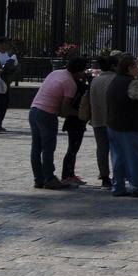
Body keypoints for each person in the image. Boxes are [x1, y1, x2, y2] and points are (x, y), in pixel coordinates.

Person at [28, 57, 87, 190]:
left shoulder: (56, 73)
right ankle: (49, 178)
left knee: (36, 147)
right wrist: (81, 114)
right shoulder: (70, 83)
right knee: (48, 148)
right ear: (79, 71)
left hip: (34, 110)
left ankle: (39, 179)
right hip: (47, 114)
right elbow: (65, 109)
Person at [106, 53, 138, 198]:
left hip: (114, 124)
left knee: (118, 158)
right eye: (135, 66)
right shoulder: (132, 82)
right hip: (131, 125)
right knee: (135, 157)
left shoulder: (114, 81)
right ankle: (137, 186)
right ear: (129, 68)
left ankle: (118, 186)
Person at [83, 53, 117, 188]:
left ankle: (104, 176)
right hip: (114, 120)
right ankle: (118, 175)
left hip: (97, 119)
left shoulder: (95, 81)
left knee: (102, 149)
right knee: (117, 149)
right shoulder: (116, 79)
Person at [57, 60, 90, 186]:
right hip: (74, 120)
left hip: (76, 120)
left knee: (74, 148)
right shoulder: (74, 84)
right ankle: (66, 175)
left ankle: (70, 173)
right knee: (72, 148)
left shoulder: (77, 82)